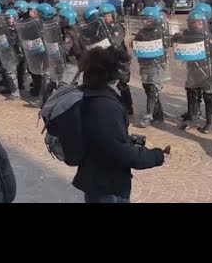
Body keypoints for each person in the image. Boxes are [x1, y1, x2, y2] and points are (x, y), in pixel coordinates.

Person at [73, 46, 170, 203]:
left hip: (101, 179)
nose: (124, 74)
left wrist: (128, 139)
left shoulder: (92, 94)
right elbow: (118, 150)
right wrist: (155, 156)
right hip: (106, 185)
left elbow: (105, 138)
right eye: (121, 69)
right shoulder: (104, 105)